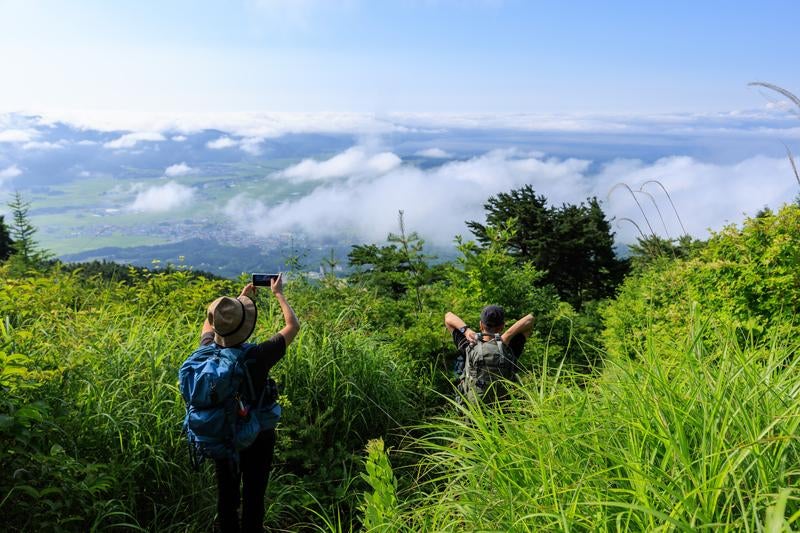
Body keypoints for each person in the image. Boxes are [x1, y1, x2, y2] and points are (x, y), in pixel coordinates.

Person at [199, 274, 300, 533]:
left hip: (223, 434)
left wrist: (232, 305)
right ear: (247, 325)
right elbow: (293, 325)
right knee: (254, 495)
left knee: (226, 497)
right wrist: (277, 293)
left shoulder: (208, 351)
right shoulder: (258, 356)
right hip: (258, 435)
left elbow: (209, 326)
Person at [444, 305, 534, 402]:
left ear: (481, 325)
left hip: (474, 411)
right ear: (502, 326)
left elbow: (448, 317)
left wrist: (466, 331)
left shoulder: (469, 345)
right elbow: (530, 319)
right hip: (504, 412)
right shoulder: (510, 347)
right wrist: (507, 336)